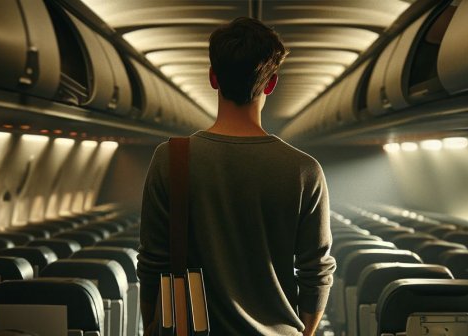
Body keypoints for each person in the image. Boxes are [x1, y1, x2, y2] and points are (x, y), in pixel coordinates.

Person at [138, 17, 336, 336]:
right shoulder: (304, 169)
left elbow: (152, 264)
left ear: (213, 78)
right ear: (271, 83)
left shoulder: (170, 159)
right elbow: (316, 272)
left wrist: (153, 326)